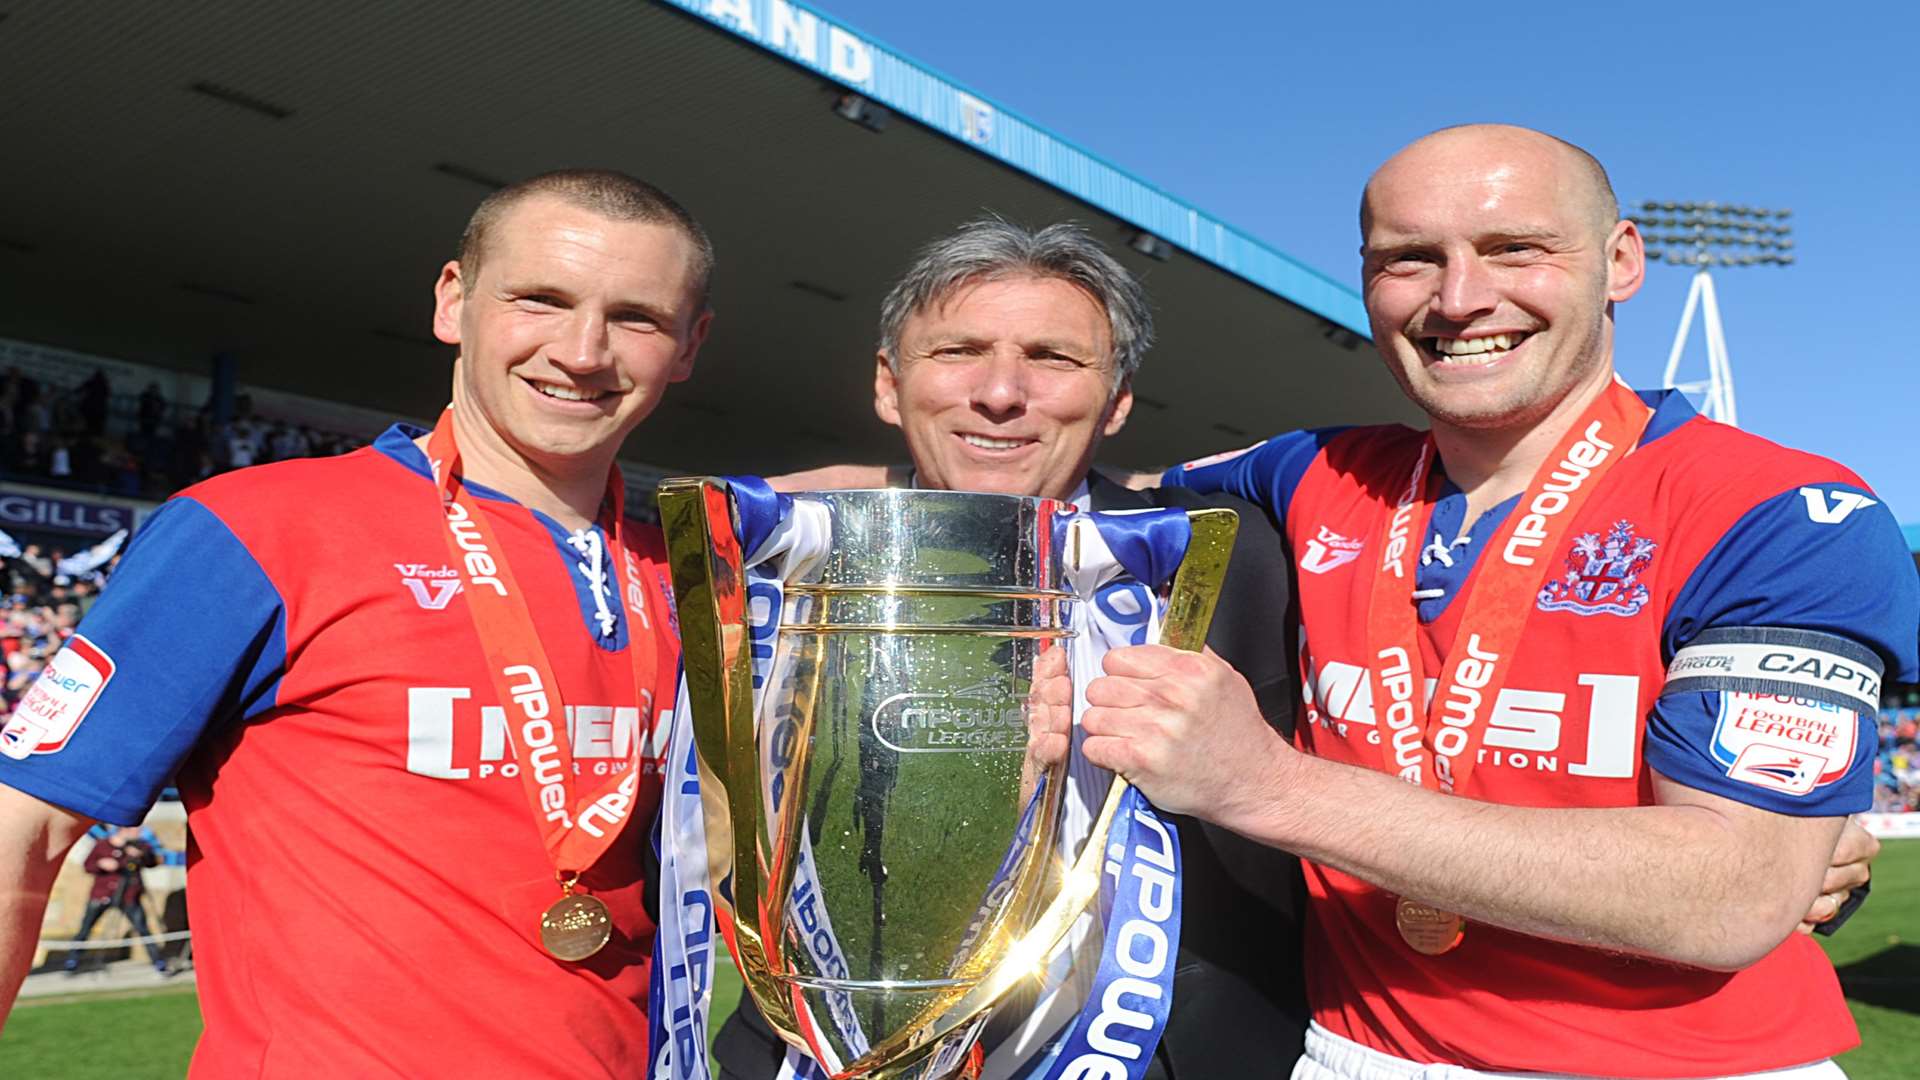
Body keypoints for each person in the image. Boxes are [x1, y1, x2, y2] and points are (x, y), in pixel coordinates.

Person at [1082, 124, 1919, 1077]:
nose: (1460, 297)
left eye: (1515, 248)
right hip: (1347, 1051)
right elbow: (1073, 490)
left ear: (1621, 260)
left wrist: (1260, 784)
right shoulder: (1309, 471)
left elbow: (1732, 895)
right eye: (1409, 259)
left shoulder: (1782, 513)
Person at [0, 168, 711, 1075]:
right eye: (540, 299)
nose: (582, 349)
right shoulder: (255, 530)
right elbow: (21, 829)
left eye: (638, 318)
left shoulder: (686, 575)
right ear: (453, 300)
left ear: (690, 345)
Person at [727, 219, 1305, 1078]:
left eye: (1054, 357)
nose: (1001, 392)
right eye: (958, 350)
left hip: (1159, 1054)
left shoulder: (1238, 561)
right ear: (889, 385)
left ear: (1116, 400)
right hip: (820, 1044)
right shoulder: (779, 559)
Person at [60, 824, 166, 974]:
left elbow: (152, 862)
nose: (139, 833)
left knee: (143, 929)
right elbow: (88, 866)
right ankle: (72, 962)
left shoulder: (141, 846)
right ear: (125, 830)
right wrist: (101, 864)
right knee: (85, 929)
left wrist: (140, 855)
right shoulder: (102, 845)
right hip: (102, 895)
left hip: (129, 896)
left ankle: (158, 962)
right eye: (136, 830)